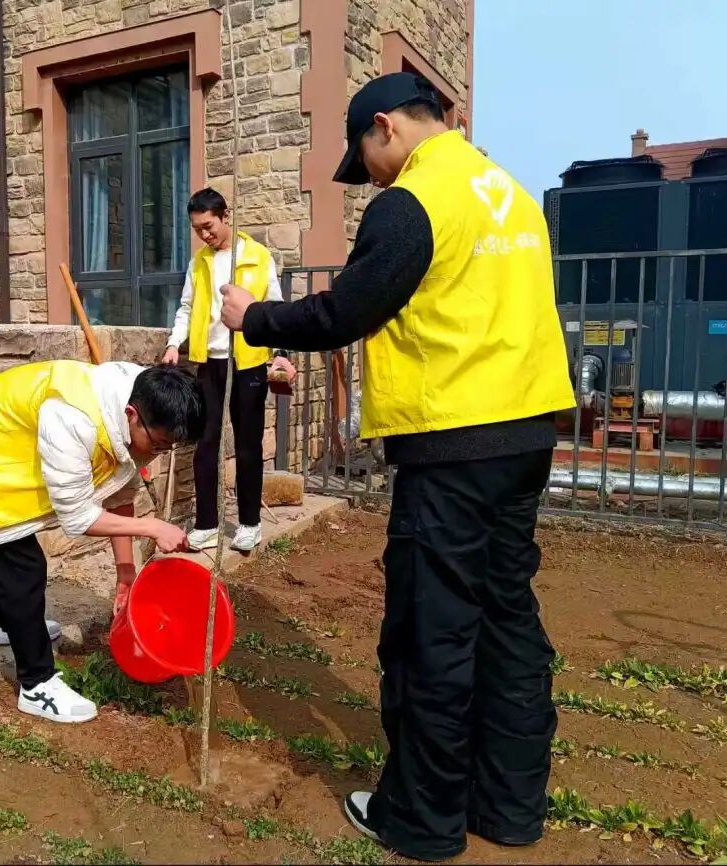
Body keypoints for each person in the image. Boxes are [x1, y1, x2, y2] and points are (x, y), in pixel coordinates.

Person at [220, 72, 576, 861]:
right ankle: (509, 805)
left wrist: (255, 317)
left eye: (366, 162)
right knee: (507, 623)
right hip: (525, 437)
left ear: (385, 126)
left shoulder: (415, 201)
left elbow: (347, 308)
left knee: (432, 633)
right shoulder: (510, 194)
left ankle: (421, 818)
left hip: (451, 445)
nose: (371, 181)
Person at [0, 360, 205, 724]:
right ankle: (36, 685)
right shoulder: (74, 420)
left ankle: (8, 624)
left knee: (7, 544)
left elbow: (118, 493)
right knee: (20, 557)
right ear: (132, 416)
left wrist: (126, 572)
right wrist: (152, 527)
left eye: (170, 448)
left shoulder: (144, 394)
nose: (160, 453)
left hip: (9, 435)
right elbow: (77, 518)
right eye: (158, 445)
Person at [162, 188, 296, 553]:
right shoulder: (198, 263)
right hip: (210, 362)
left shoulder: (257, 256)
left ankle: (250, 523)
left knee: (248, 445)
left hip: (248, 363)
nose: (204, 234)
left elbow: (273, 307)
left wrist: (280, 353)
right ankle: (207, 524)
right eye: (197, 229)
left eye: (208, 226)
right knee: (205, 444)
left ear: (225, 216)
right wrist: (174, 343)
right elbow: (187, 308)